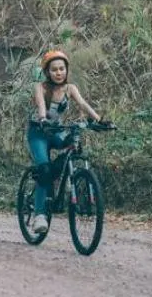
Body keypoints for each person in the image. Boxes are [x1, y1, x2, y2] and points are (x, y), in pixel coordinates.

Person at [27, 48, 102, 235]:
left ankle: (64, 182)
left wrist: (99, 120)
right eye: (54, 70)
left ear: (66, 70)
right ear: (47, 72)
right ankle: (39, 215)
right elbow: (41, 106)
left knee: (72, 146)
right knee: (44, 169)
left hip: (56, 132)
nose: (59, 73)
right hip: (39, 132)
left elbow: (83, 105)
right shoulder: (41, 88)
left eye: (62, 69)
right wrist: (43, 119)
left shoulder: (70, 89)